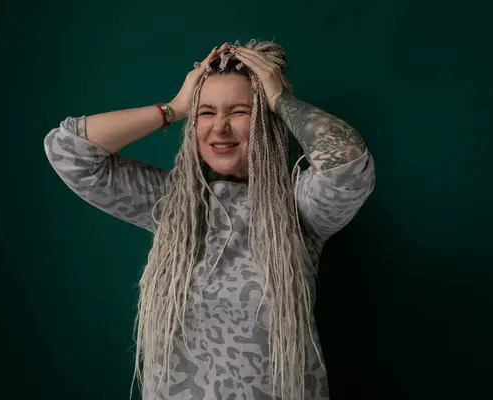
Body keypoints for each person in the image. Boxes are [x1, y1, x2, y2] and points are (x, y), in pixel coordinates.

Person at [44, 39, 375, 400]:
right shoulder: (170, 202)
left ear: (267, 121)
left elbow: (348, 163)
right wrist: (173, 107)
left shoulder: (299, 206)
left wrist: (281, 100)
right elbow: (69, 149)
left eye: (238, 112)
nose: (219, 127)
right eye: (205, 112)